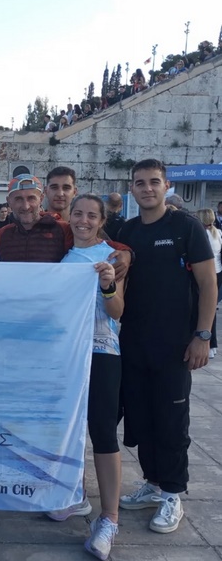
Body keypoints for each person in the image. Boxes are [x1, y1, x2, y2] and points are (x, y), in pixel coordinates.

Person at [118, 159, 217, 534]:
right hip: (133, 342)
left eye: (154, 182)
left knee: (172, 421)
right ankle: (154, 484)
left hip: (175, 345)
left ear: (166, 186)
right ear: (132, 189)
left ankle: (173, 493)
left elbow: (208, 284)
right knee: (142, 418)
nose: (147, 188)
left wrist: (203, 335)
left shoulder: (185, 227)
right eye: (140, 183)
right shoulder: (127, 230)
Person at [48, 194, 125, 561]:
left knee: (103, 432)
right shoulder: (65, 257)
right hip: (69, 354)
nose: (83, 220)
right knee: (71, 426)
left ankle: (109, 519)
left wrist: (108, 284)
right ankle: (75, 496)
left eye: (91, 215)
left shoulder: (111, 256)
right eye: (77, 214)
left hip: (103, 352)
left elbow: (117, 310)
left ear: (101, 220)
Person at [0, 173, 131, 280]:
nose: (26, 206)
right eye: (18, 199)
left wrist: (126, 253)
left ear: (41, 199)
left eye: (31, 198)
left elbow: (99, 243)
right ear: (9, 202)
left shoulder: (62, 229)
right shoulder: (1, 235)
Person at [195, 209, 222, 357]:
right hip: (218, 273)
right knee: (211, 310)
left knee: (205, 309)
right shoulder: (218, 233)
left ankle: (208, 343)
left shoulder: (202, 235)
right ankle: (213, 345)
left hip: (206, 274)